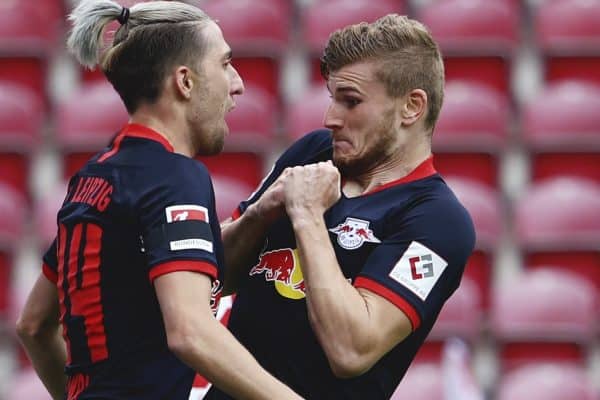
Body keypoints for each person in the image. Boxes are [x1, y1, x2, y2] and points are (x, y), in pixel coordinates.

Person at [15, 1, 302, 399]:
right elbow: (190, 332)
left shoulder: (93, 178)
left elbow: (33, 324)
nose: (237, 83)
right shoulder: (174, 178)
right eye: (224, 64)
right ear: (185, 82)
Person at [206, 14, 476, 400]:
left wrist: (307, 216)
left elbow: (351, 351)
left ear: (412, 107)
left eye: (351, 101)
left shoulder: (437, 222)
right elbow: (215, 277)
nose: (330, 118)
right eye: (333, 98)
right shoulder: (311, 153)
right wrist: (260, 212)